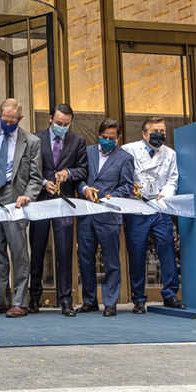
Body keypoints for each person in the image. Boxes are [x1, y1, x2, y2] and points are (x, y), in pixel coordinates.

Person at [0, 98, 42, 318]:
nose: (8, 123)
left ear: (20, 119)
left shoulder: (31, 141)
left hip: (16, 203)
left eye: (12, 120)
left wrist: (27, 196)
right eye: (5, 119)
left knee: (19, 253)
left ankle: (20, 302)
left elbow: (36, 178)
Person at [28, 104, 88, 317]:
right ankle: (34, 299)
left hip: (64, 202)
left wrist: (67, 173)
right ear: (50, 118)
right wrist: (44, 182)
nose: (62, 127)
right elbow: (29, 169)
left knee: (64, 252)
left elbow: (83, 169)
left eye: (66, 124)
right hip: (41, 201)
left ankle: (66, 301)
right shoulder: (35, 138)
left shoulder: (78, 141)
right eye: (59, 123)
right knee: (37, 250)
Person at [122, 116, 186, 313]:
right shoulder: (128, 150)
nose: (159, 136)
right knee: (137, 253)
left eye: (162, 132)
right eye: (155, 132)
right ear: (144, 134)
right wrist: (129, 187)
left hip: (160, 208)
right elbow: (122, 176)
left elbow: (172, 179)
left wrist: (164, 196)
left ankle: (170, 295)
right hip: (137, 208)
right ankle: (139, 299)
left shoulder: (170, 154)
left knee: (166, 249)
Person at [76, 118, 135, 317]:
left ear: (118, 138)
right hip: (86, 213)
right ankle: (89, 301)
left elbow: (127, 185)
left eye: (111, 138)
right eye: (104, 137)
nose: (107, 140)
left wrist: (113, 195)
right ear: (99, 135)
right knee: (85, 258)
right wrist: (84, 189)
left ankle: (110, 302)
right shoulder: (87, 152)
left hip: (109, 214)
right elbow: (79, 178)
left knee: (111, 260)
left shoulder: (125, 158)